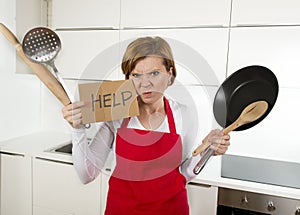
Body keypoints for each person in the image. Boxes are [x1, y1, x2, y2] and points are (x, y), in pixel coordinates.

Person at [62, 36, 230, 215]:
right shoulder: (116, 114)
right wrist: (77, 128)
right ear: (128, 78)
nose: (145, 83)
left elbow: (184, 172)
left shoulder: (184, 114)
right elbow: (87, 174)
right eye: (136, 75)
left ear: (170, 73)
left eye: (154, 73)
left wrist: (208, 151)